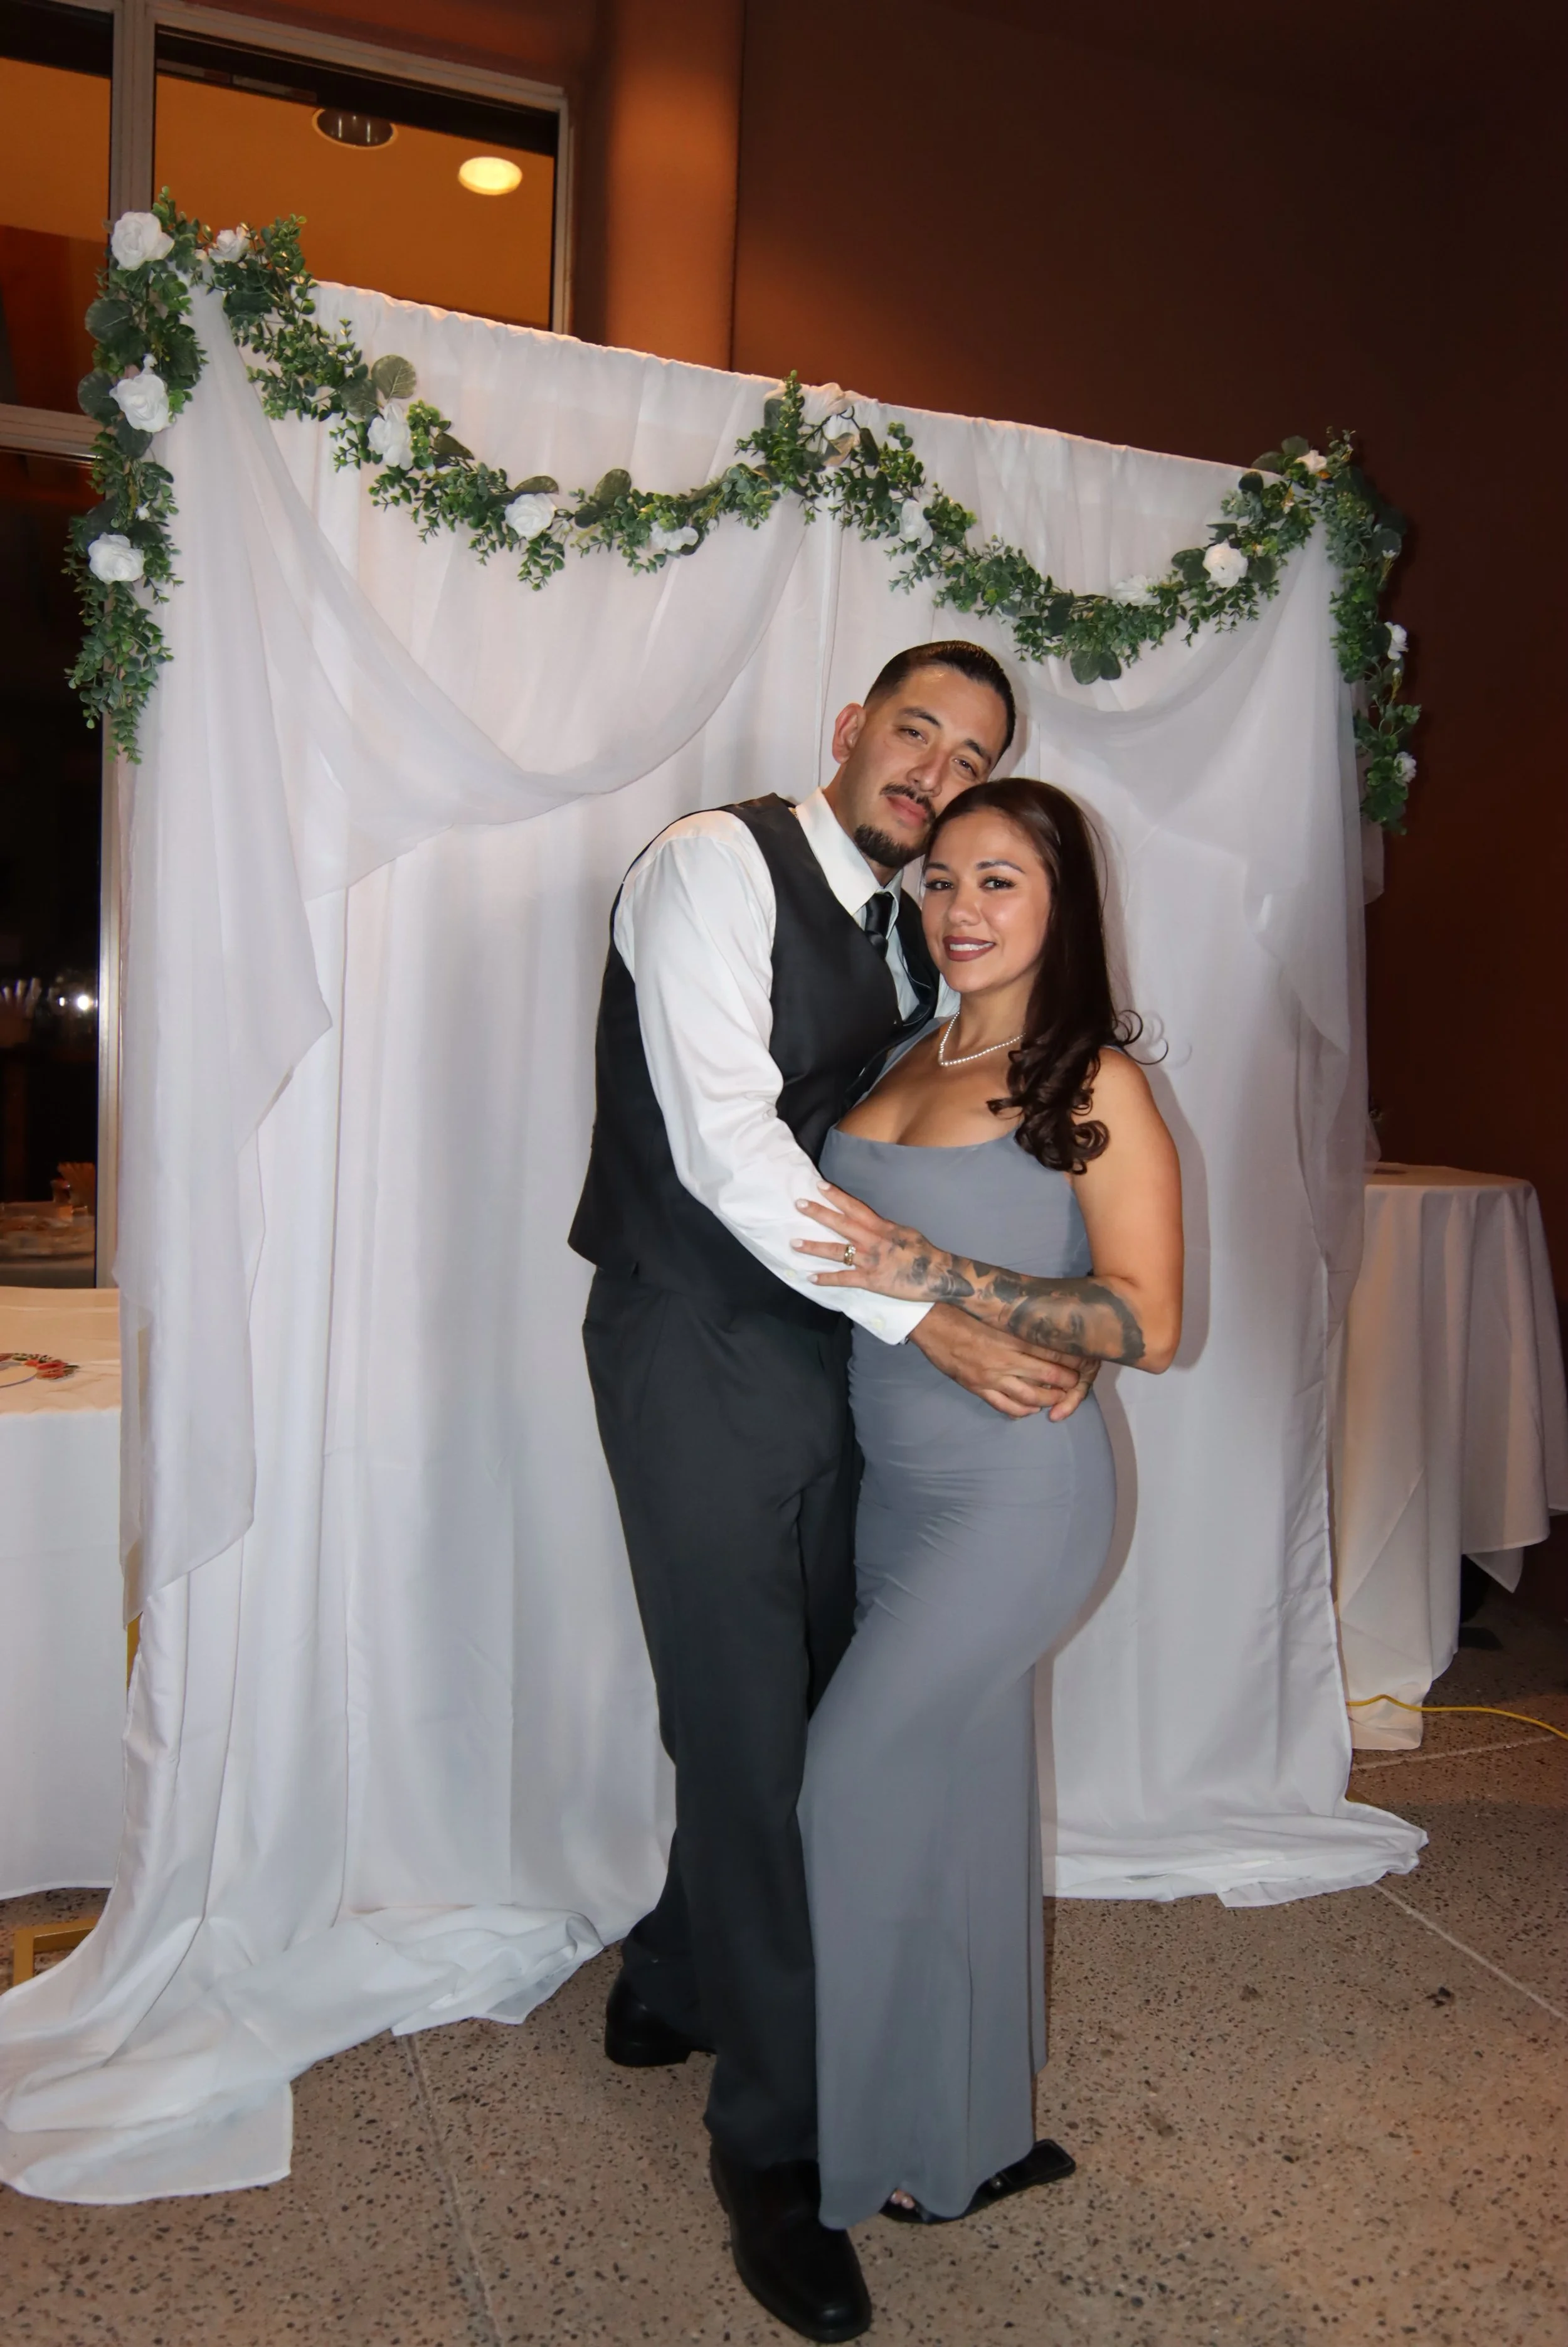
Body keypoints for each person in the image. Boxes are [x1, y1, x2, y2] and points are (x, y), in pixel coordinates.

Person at [569, 646, 1099, 2342]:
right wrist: (939, 1320)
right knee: (754, 1728)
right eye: (917, 731)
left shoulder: (914, 933)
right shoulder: (709, 867)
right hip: (694, 1343)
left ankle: (670, 1975)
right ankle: (777, 2158)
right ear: (847, 731)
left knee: (797, 1688)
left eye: (973, 758)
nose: (936, 769)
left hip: (831, 1356)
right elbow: (726, 1143)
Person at [792, 775, 1184, 2230]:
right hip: (894, 1496)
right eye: (943, 880)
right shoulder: (903, 1045)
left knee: (848, 1781)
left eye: (999, 882)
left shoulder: (1089, 1080)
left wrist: (936, 1279)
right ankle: (964, 2141)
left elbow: (1145, 1320)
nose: (959, 910)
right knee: (956, 1808)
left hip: (1016, 1501)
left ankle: (837, 2145)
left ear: (1059, 904)